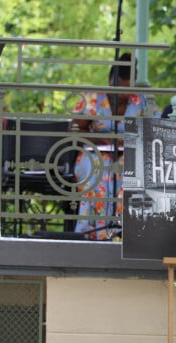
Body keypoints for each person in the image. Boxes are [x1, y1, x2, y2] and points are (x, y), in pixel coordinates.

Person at [69, 53, 160, 240]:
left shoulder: (141, 100)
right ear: (112, 82)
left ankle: (124, 232)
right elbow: (74, 130)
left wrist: (131, 141)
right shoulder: (93, 98)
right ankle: (92, 232)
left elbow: (155, 130)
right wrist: (105, 141)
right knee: (98, 170)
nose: (125, 95)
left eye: (128, 90)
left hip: (129, 152)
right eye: (120, 89)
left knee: (132, 170)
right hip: (95, 152)